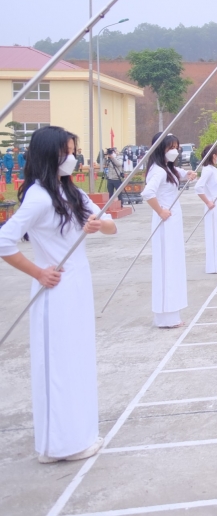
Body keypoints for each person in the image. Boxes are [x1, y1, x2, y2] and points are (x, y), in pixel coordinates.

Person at [0, 126, 116, 464]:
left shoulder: (70, 191)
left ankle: (74, 435)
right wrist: (38, 271)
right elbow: (4, 241)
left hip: (79, 283)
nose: (72, 157)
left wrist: (98, 224)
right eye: (66, 151)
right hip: (55, 287)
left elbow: (111, 225)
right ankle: (59, 444)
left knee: (76, 359)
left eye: (73, 150)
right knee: (58, 365)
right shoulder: (38, 196)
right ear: (50, 154)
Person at [142, 134, 196, 328]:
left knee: (173, 264)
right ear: (160, 149)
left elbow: (182, 173)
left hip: (173, 222)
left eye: (176, 147)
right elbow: (148, 193)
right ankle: (165, 316)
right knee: (167, 266)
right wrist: (160, 210)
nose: (175, 151)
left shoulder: (168, 168)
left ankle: (172, 314)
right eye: (170, 147)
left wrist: (189, 174)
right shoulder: (158, 171)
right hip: (165, 222)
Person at [194, 144, 217, 273]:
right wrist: (208, 202)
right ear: (214, 155)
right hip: (213, 205)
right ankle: (215, 266)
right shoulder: (207, 170)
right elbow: (198, 187)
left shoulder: (213, 169)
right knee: (215, 234)